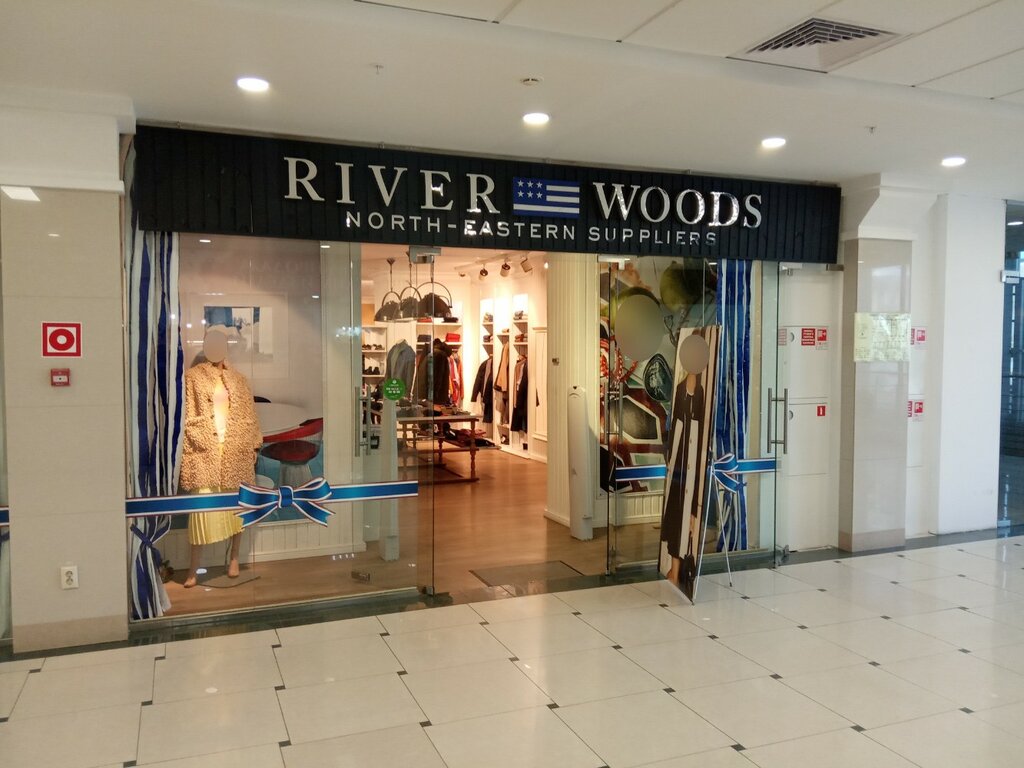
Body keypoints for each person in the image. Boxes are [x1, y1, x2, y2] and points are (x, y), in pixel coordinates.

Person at [179, 328, 262, 587]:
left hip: (235, 448)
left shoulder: (239, 379)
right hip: (205, 450)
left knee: (237, 509)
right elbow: (186, 413)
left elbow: (250, 415)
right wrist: (195, 438)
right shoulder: (192, 378)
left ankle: (234, 558)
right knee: (202, 512)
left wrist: (252, 445)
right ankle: (194, 569)